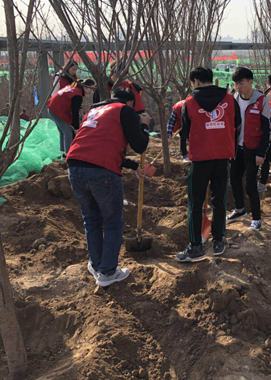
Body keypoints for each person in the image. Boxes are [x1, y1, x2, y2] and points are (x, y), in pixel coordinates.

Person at [67, 87, 151, 287]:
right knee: (113, 221)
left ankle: (96, 265)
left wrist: (133, 166)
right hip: (102, 172)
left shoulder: (94, 111)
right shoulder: (124, 110)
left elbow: (101, 147)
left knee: (91, 219)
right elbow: (140, 145)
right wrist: (144, 125)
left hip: (75, 167)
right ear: (130, 103)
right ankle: (107, 272)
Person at [176, 67, 240, 262]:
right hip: (222, 158)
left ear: (196, 81)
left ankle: (196, 246)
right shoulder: (230, 100)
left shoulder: (189, 103)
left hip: (200, 159)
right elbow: (237, 123)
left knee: (195, 203)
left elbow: (186, 132)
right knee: (219, 201)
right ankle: (219, 241)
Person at [227, 67, 271, 231]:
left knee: (251, 184)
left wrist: (261, 153)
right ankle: (240, 210)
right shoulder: (234, 99)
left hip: (253, 150)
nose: (238, 87)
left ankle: (256, 218)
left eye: (241, 83)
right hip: (237, 149)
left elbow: (267, 130)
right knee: (234, 179)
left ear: (250, 81)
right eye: (236, 84)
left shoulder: (261, 101)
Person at [47, 78, 97, 158]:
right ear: (85, 87)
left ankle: (63, 153)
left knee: (63, 131)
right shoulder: (77, 95)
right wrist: (76, 128)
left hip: (52, 107)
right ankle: (68, 155)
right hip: (56, 110)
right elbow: (75, 113)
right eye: (91, 89)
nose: (92, 91)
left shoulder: (74, 88)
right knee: (68, 132)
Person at [167, 98, 190, 162]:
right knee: (183, 138)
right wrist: (169, 136)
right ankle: (185, 155)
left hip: (193, 124)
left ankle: (194, 155)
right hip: (181, 125)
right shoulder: (177, 107)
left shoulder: (194, 106)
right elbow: (171, 122)